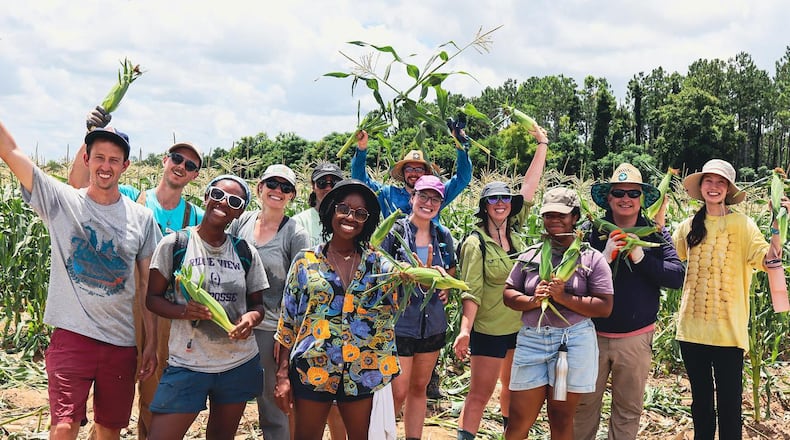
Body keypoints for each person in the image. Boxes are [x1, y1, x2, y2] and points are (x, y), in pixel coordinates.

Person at [0, 120, 160, 440]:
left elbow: (146, 286)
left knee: (109, 430)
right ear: (86, 159)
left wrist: (151, 343)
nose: (106, 166)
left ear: (125, 166)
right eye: (99, 157)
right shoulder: (62, 201)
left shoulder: (141, 219)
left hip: (121, 342)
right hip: (72, 337)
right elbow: (10, 150)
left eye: (114, 160)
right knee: (63, 426)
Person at [68, 106, 205, 439]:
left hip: (162, 311)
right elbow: (77, 183)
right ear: (164, 161)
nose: (181, 167)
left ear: (194, 176)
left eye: (190, 165)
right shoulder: (131, 197)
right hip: (123, 303)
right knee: (110, 386)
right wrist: (89, 137)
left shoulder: (196, 216)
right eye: (176, 158)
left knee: (153, 385)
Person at [273, 179, 403, 440]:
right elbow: (288, 322)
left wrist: (421, 278)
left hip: (361, 369)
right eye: (344, 208)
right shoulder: (306, 261)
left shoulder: (378, 264)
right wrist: (282, 376)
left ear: (367, 221)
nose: (351, 217)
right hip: (313, 368)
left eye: (360, 213)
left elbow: (399, 295)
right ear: (331, 209)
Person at [145, 174, 268, 439]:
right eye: (218, 195)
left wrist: (250, 319)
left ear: (239, 212)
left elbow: (259, 304)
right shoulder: (175, 244)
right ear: (206, 196)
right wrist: (183, 311)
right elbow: (152, 299)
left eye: (234, 201)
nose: (223, 203)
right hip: (187, 362)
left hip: (238, 361)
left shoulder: (245, 251)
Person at [672, 159, 786, 440]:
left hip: (729, 335)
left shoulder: (743, 225)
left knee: (730, 407)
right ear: (701, 187)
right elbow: (669, 258)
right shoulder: (688, 226)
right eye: (708, 181)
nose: (714, 187)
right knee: (701, 406)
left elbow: (769, 259)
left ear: (728, 189)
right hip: (692, 331)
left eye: (720, 182)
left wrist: (778, 221)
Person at [574, 163, 685, 440]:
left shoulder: (656, 234)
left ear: (642, 199)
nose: (626, 199)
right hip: (591, 336)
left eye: (633, 194)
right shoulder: (590, 231)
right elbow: (570, 277)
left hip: (635, 340)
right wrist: (604, 255)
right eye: (619, 192)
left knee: (628, 409)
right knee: (583, 406)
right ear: (608, 198)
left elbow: (677, 276)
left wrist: (641, 256)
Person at [452, 125, 550, 440]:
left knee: (512, 388)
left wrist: (542, 144)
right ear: (484, 206)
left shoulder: (516, 232)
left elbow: (530, 188)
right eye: (492, 199)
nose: (500, 203)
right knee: (480, 394)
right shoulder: (475, 242)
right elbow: (471, 291)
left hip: (519, 327)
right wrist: (465, 330)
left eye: (505, 199)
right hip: (489, 329)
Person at [503, 187, 614, 440]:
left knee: (562, 418)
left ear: (575, 217)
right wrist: (533, 300)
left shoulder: (590, 258)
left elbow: (605, 306)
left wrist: (563, 298)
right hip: (532, 339)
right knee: (518, 419)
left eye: (561, 215)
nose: (554, 221)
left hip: (572, 341)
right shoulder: (531, 254)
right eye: (548, 215)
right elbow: (508, 294)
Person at [227, 164, 310, 440]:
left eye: (285, 188)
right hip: (235, 324)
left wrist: (286, 336)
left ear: (292, 196)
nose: (278, 191)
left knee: (272, 403)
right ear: (260, 188)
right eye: (272, 184)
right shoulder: (242, 222)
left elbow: (300, 288)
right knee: (229, 397)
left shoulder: (294, 233)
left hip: (270, 328)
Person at [380, 175, 456, 440]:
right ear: (411, 197)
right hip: (401, 323)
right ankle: (385, 434)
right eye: (423, 196)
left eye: (435, 198)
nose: (428, 202)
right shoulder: (395, 231)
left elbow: (451, 269)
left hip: (432, 322)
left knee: (420, 387)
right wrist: (401, 275)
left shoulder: (443, 235)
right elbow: (378, 266)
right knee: (397, 391)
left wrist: (444, 284)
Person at [352, 126, 472, 223]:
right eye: (409, 168)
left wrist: (461, 147)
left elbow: (463, 178)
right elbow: (360, 181)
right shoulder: (388, 194)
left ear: (426, 173)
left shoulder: (437, 194)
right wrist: (362, 148)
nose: (414, 173)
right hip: (395, 251)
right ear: (403, 172)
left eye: (419, 169)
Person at [293, 162, 344, 247]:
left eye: (334, 183)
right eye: (322, 183)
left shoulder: (349, 221)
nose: (328, 188)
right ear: (313, 186)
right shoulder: (298, 222)